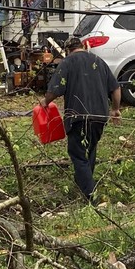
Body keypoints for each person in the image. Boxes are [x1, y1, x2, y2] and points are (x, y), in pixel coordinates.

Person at [42, 37, 121, 203]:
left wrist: (45, 102)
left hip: (77, 116)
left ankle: (91, 196)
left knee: (78, 154)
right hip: (100, 116)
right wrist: (115, 110)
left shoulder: (68, 62)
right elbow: (116, 88)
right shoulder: (98, 61)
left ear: (68, 50)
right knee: (89, 150)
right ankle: (84, 184)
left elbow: (56, 89)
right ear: (82, 46)